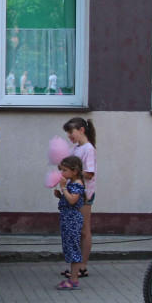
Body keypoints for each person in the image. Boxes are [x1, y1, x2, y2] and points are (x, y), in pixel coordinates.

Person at [62, 117, 97, 279]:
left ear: (81, 130)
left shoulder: (88, 149)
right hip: (75, 192)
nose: (69, 136)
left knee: (84, 230)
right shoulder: (76, 148)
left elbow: (89, 174)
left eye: (71, 132)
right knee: (77, 230)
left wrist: (74, 171)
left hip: (85, 194)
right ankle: (76, 266)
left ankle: (82, 266)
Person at [54, 155, 86, 290]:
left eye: (65, 170)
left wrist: (64, 189)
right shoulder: (72, 184)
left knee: (73, 248)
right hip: (67, 219)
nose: (62, 173)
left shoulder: (77, 184)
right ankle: (72, 277)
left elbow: (73, 200)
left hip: (72, 219)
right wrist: (61, 196)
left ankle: (74, 280)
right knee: (69, 247)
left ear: (74, 171)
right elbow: (69, 200)